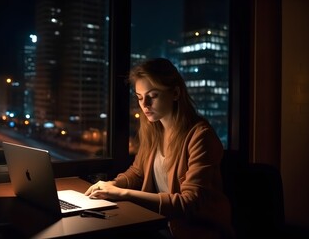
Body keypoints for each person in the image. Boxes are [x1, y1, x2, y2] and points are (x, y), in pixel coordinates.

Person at [85, 58, 234, 239]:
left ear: (176, 93)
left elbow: (188, 203)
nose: (145, 104)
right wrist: (113, 184)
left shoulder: (201, 136)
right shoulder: (154, 130)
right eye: (140, 97)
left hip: (195, 232)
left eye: (152, 95)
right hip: (160, 225)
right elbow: (137, 172)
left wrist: (123, 193)